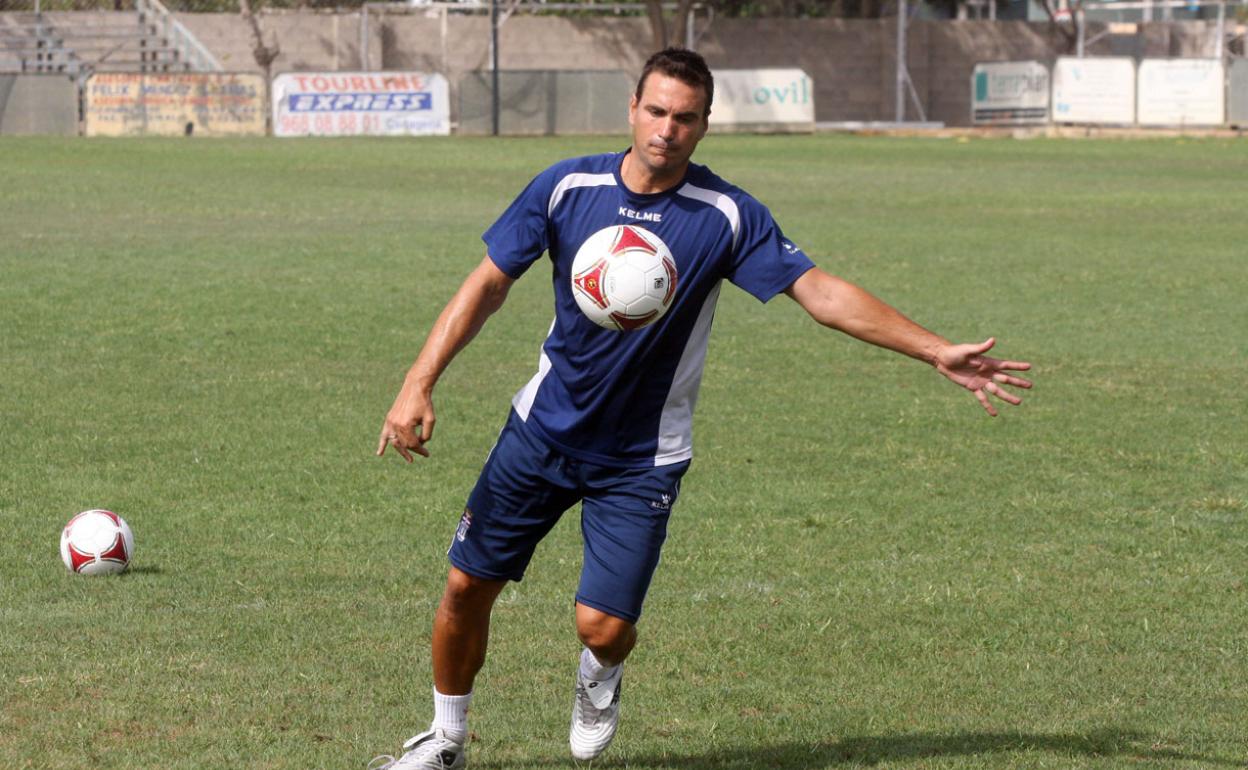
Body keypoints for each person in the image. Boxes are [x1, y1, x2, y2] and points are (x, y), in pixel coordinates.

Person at [371, 47, 1032, 770]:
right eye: (655, 111)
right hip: (541, 433)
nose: (666, 130)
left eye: (685, 118)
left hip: (640, 460)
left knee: (602, 627)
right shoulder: (566, 187)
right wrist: (418, 380)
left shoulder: (725, 215)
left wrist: (935, 350)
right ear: (632, 108)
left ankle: (601, 677)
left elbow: (821, 294)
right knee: (466, 585)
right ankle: (444, 740)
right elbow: (487, 284)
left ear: (705, 125)